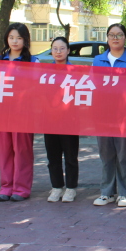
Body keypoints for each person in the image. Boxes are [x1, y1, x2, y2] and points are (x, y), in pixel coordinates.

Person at [92, 23, 126, 208]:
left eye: (119, 35)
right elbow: (92, 86)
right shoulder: (98, 61)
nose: (115, 38)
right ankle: (106, 193)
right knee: (106, 156)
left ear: (125, 38)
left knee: (124, 156)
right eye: (112, 35)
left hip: (125, 117)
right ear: (107, 38)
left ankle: (124, 193)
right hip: (103, 116)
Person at [0, 23, 39, 202]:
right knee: (4, 150)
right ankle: (6, 187)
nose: (15, 41)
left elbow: (37, 88)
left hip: (23, 114)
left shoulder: (33, 61)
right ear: (6, 39)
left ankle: (21, 188)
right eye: (11, 37)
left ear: (25, 40)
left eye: (19, 38)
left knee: (22, 151)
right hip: (1, 113)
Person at [44, 37, 80, 203]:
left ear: (68, 50)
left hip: (70, 120)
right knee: (53, 156)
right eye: (55, 48)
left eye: (62, 48)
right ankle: (56, 187)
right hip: (50, 120)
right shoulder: (45, 72)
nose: (58, 52)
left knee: (70, 156)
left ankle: (71, 188)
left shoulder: (75, 72)